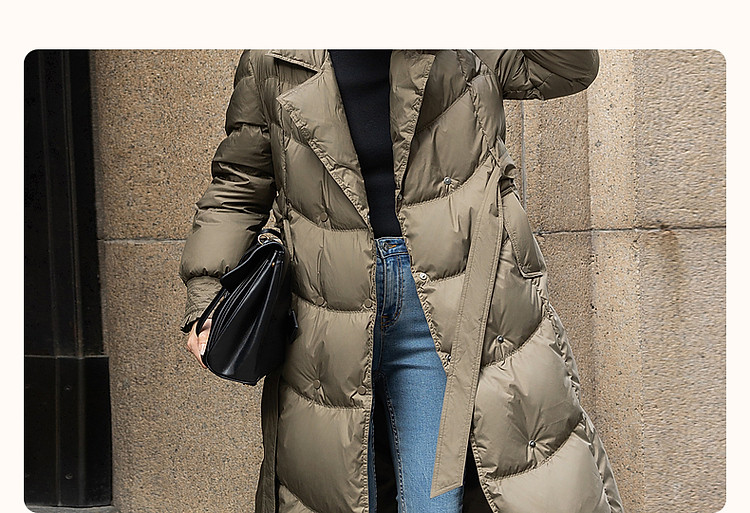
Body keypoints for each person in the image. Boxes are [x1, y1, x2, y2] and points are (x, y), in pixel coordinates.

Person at [180, 49, 625, 513]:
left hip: (443, 301)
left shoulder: (467, 43)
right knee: (340, 495)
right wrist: (208, 293)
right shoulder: (274, 56)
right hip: (324, 316)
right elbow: (238, 184)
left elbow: (571, 66)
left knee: (434, 503)